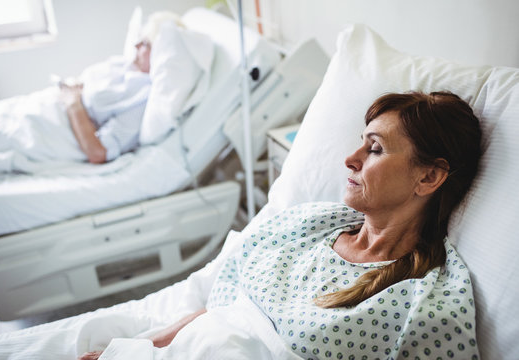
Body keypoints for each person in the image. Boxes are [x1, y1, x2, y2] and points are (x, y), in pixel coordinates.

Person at [76, 90, 481, 359]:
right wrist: (141, 346)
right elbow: (224, 308)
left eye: (374, 148)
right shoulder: (307, 224)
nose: (350, 158)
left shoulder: (426, 305)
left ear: (428, 177)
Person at [0, 11, 183, 170]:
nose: (137, 44)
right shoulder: (125, 66)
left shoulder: (143, 98)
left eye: (146, 43)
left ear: (161, 54)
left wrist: (74, 103)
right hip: (42, 106)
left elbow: (98, 153)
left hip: (49, 130)